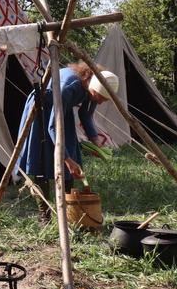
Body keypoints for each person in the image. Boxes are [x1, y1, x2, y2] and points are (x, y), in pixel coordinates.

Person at [16, 61, 119, 223]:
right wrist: (68, 160)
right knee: (42, 161)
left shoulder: (92, 84)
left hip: (63, 113)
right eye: (101, 98)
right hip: (42, 112)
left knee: (68, 163)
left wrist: (95, 140)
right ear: (94, 88)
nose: (100, 102)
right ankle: (44, 215)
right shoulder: (69, 87)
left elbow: (86, 114)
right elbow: (52, 127)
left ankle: (68, 210)